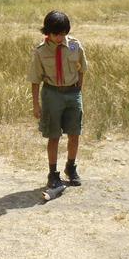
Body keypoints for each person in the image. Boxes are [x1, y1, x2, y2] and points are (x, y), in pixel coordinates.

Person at [28, 11, 88, 189]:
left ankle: (71, 167)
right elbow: (35, 79)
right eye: (56, 34)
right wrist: (36, 105)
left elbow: (82, 69)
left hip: (73, 93)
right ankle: (53, 173)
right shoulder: (40, 51)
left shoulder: (74, 46)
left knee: (74, 133)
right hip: (52, 94)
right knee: (53, 135)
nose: (60, 38)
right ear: (47, 32)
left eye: (63, 34)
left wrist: (78, 90)